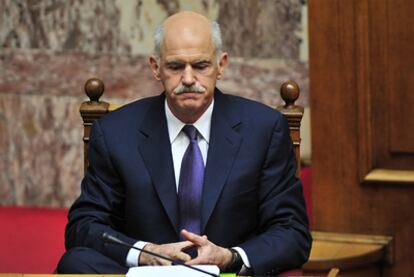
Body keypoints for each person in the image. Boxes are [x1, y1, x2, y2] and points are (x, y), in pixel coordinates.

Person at [57, 11, 311, 275]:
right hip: (147, 276)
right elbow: (83, 226)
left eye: (201, 66)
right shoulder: (116, 133)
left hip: (227, 275)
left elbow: (292, 233)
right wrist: (145, 253)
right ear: (156, 67)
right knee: (75, 263)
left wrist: (230, 257)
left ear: (221, 65)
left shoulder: (264, 129)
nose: (188, 79)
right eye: (176, 66)